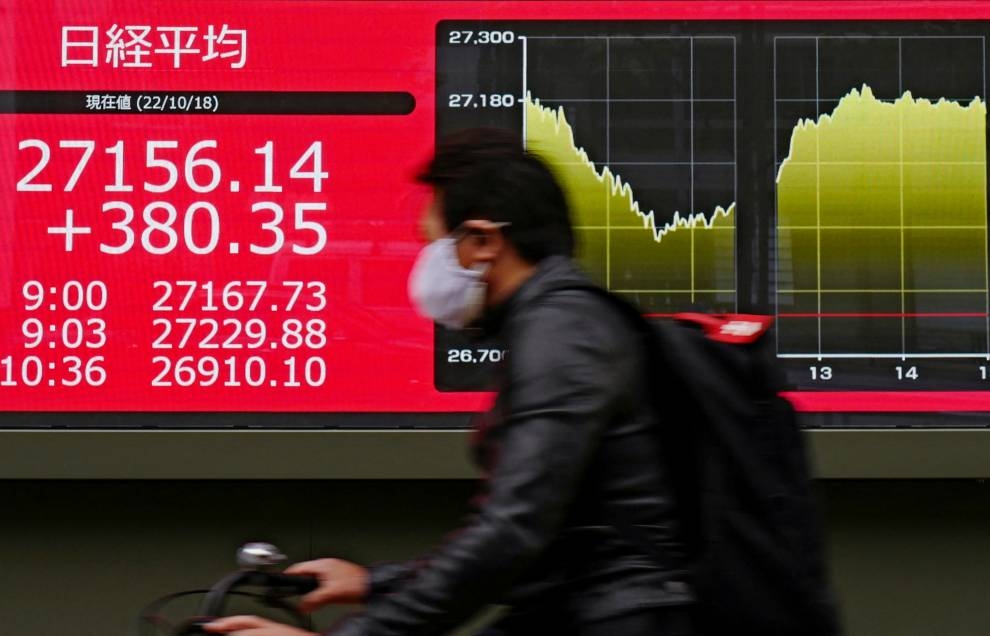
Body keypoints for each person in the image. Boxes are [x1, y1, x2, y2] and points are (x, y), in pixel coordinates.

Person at [205, 129, 694, 636]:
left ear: (483, 242)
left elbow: (512, 529)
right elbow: (542, 534)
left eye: (434, 244)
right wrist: (379, 583)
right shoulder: (555, 323)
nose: (425, 266)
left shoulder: (562, 333)